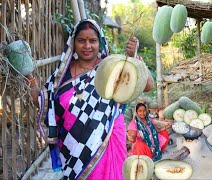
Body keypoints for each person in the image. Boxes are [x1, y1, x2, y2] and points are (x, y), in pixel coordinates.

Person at [25, 19, 154, 179]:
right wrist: (30, 79)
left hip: (108, 139)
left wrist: (133, 56)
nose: (87, 46)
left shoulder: (112, 66)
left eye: (92, 41)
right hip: (73, 146)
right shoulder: (62, 74)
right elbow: (44, 103)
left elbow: (148, 85)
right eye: (81, 40)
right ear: (73, 42)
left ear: (99, 43)